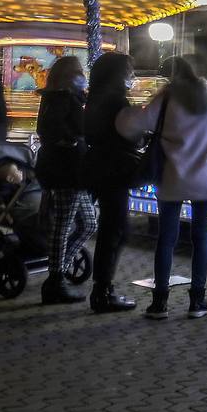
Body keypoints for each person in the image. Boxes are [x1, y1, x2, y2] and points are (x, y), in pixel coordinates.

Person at [122, 56, 207, 319]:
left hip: (172, 177)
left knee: (166, 239)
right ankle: (197, 301)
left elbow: (133, 124)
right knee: (202, 238)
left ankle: (160, 303)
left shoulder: (166, 98)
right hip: (206, 177)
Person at [81, 53, 140, 313]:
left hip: (97, 166)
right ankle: (103, 291)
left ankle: (102, 288)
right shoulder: (116, 101)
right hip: (114, 169)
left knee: (111, 228)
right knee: (116, 229)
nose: (132, 76)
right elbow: (128, 136)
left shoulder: (95, 98)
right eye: (129, 71)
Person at [36, 55, 96, 304]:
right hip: (65, 171)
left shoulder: (66, 98)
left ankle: (60, 268)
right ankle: (55, 279)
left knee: (89, 224)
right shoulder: (60, 98)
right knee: (63, 225)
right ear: (69, 76)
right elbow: (52, 130)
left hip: (73, 172)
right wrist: (70, 139)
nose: (83, 76)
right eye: (79, 72)